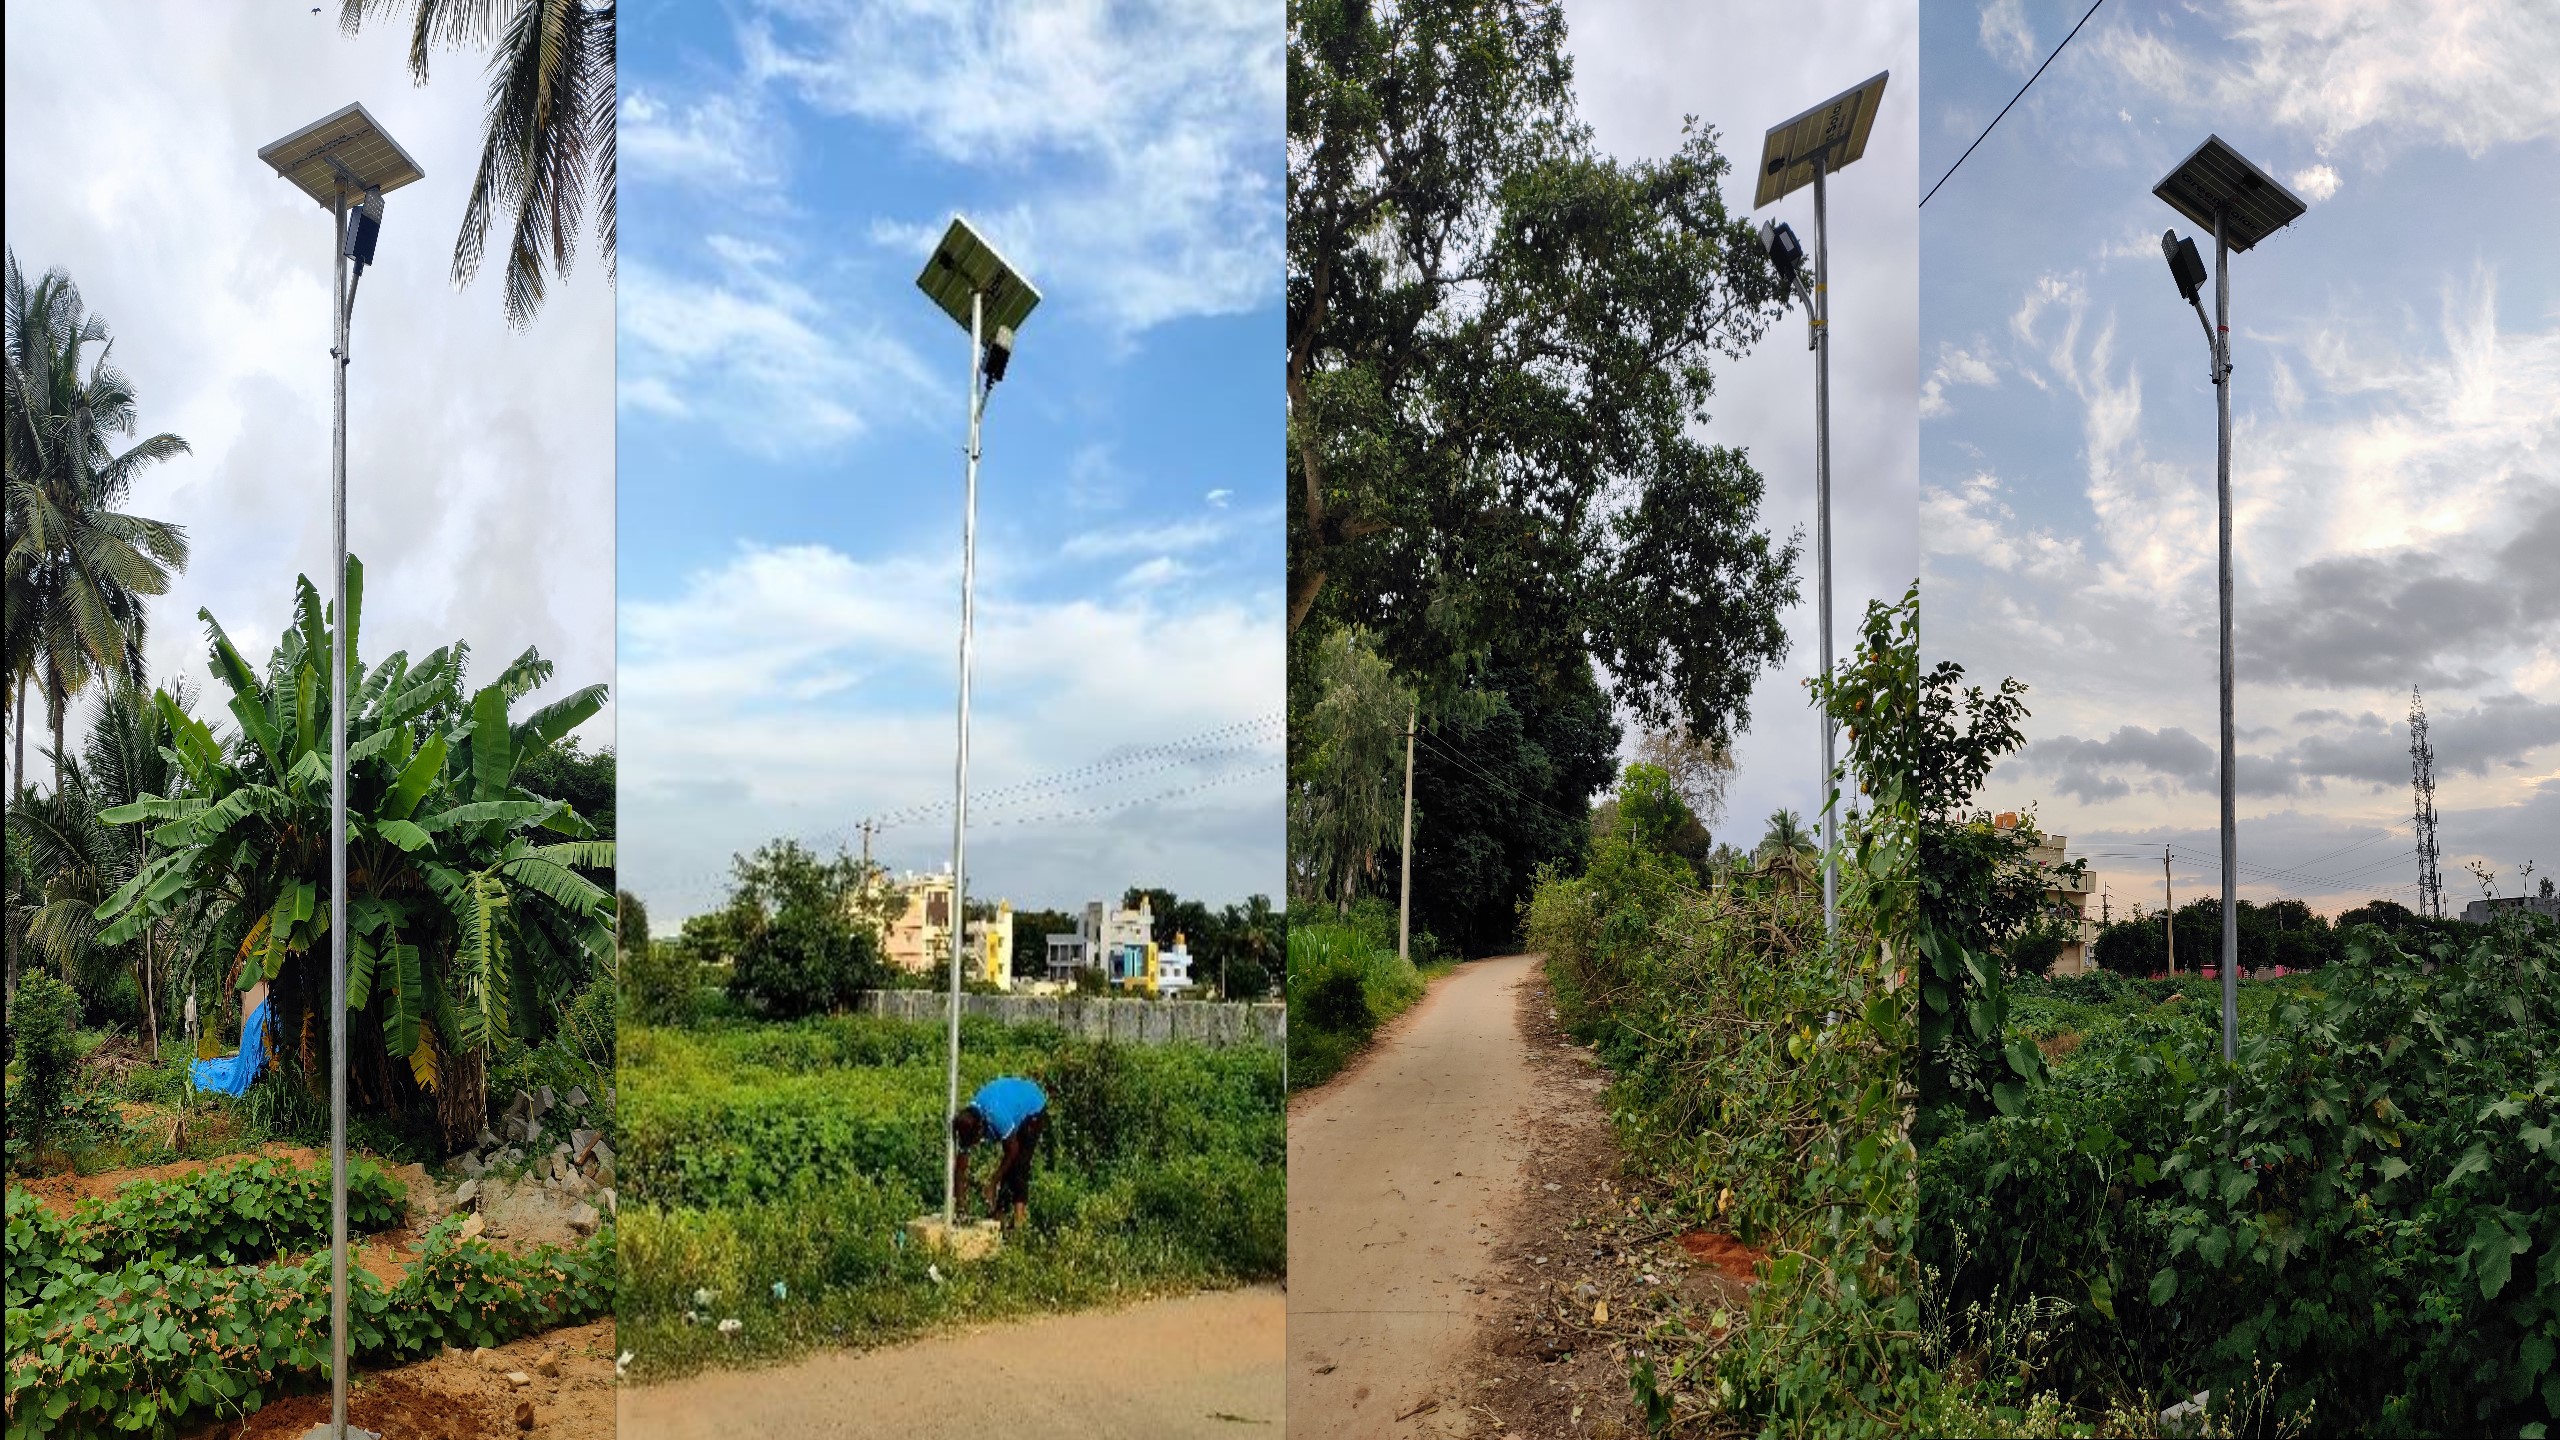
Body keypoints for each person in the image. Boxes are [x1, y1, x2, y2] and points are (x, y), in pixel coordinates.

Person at [950, 1075, 1047, 1228]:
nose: (973, 1145)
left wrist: (993, 1181)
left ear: (981, 1129)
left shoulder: (996, 1116)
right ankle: (999, 1218)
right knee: (1008, 1167)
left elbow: (1012, 1149)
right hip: (1011, 1105)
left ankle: (1019, 1226)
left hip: (1032, 1106)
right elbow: (960, 1169)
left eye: (975, 1141)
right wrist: (961, 1207)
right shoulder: (966, 1125)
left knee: (1019, 1167)